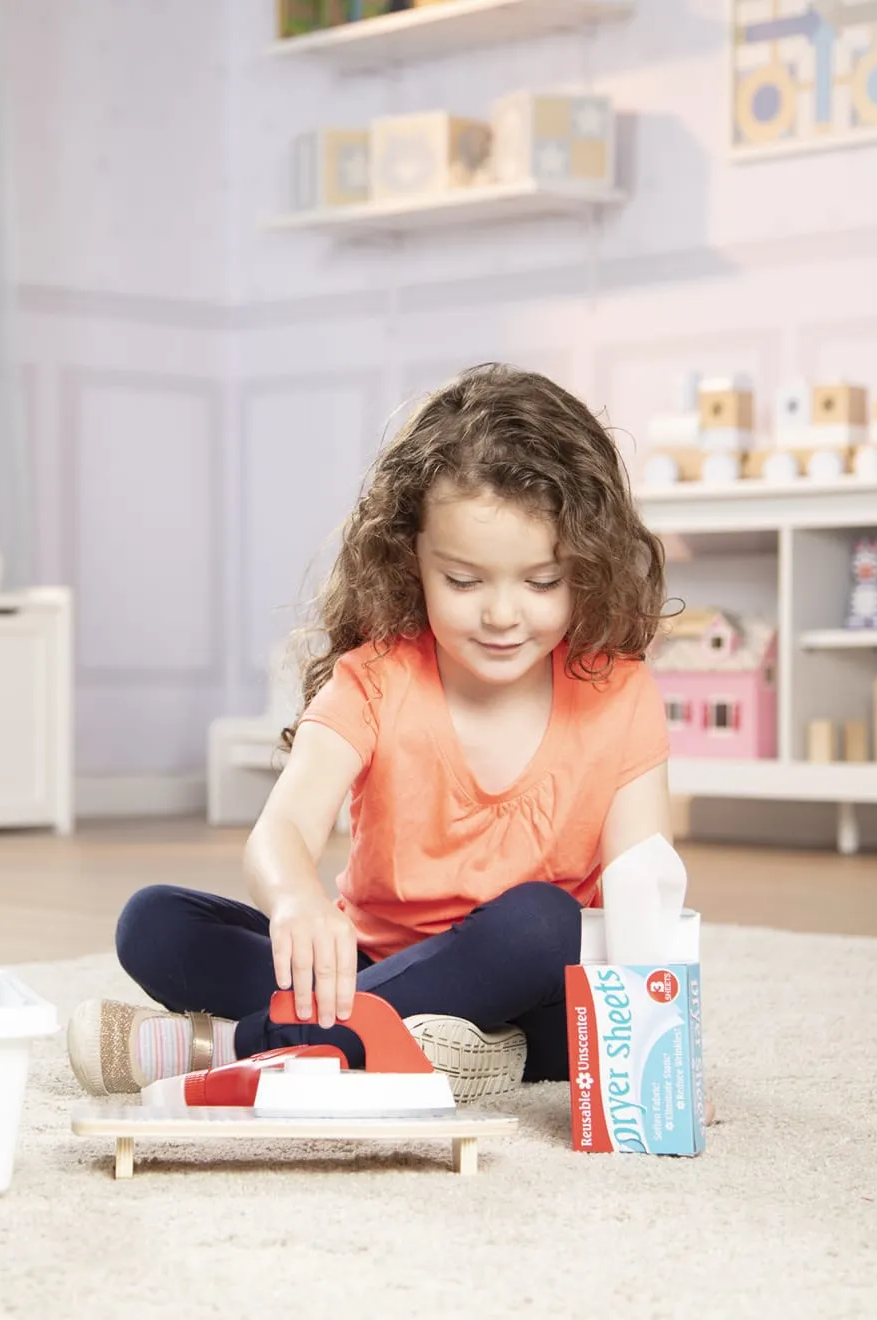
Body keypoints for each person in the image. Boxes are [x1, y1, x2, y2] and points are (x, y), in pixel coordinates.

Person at [67, 363, 673, 1103]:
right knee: (155, 922)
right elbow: (282, 829)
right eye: (464, 581)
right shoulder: (377, 677)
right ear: (409, 558)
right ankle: (418, 1046)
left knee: (548, 927)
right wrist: (297, 901)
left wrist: (659, 1051)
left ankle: (241, 1048)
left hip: (528, 987)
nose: (503, 614)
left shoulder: (619, 690)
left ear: (587, 564)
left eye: (542, 583)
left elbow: (644, 895)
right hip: (358, 969)